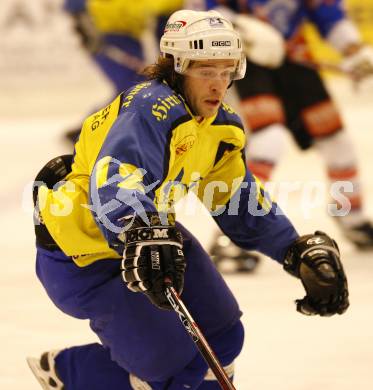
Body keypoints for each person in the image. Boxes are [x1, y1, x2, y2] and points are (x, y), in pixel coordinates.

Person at [27, 9, 349, 389]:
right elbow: (116, 178)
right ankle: (69, 372)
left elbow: (238, 202)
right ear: (178, 67)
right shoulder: (151, 106)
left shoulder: (221, 127)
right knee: (171, 368)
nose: (218, 84)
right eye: (206, 71)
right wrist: (141, 228)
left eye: (226, 71)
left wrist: (293, 249)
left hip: (151, 237)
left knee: (225, 337)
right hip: (83, 254)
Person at [197, 0, 373, 272]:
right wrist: (239, 29)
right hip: (248, 59)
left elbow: (327, 12)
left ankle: (352, 217)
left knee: (336, 140)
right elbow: (201, 10)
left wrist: (354, 50)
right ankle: (233, 230)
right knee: (269, 139)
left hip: (294, 55)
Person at [63, 0, 182, 142]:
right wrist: (82, 20)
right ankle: (89, 131)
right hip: (106, 34)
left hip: (129, 36)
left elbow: (165, 13)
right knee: (132, 88)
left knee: (136, 88)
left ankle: (91, 130)